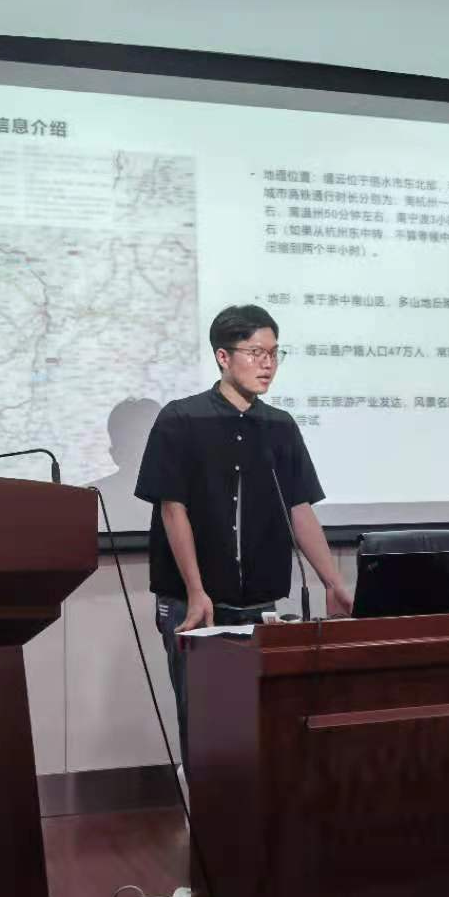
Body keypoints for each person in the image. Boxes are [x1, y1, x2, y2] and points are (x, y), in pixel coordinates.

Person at [135, 304, 353, 770]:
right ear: (223, 356)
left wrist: (333, 583)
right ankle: (203, 808)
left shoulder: (279, 426)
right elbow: (173, 509)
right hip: (190, 600)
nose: (267, 364)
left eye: (274, 353)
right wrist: (196, 590)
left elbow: (299, 508)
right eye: (255, 353)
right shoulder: (182, 419)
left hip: (257, 601)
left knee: (260, 722)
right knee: (203, 720)